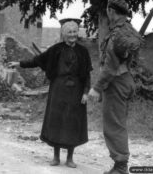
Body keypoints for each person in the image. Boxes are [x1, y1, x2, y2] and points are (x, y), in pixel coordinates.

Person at [8, 19, 93, 168]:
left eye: (74, 32)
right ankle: (56, 157)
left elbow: (87, 75)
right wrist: (20, 63)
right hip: (58, 90)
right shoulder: (55, 50)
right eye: (69, 32)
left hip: (76, 91)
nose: (72, 35)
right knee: (57, 121)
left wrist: (86, 92)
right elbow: (37, 60)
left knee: (72, 123)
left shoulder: (83, 52)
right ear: (63, 34)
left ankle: (70, 158)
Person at [88, 0, 143, 174]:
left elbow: (110, 68)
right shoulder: (129, 29)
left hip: (117, 83)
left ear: (111, 12)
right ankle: (120, 164)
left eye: (107, 11)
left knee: (113, 125)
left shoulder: (116, 34)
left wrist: (96, 88)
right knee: (119, 123)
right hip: (126, 80)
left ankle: (120, 167)